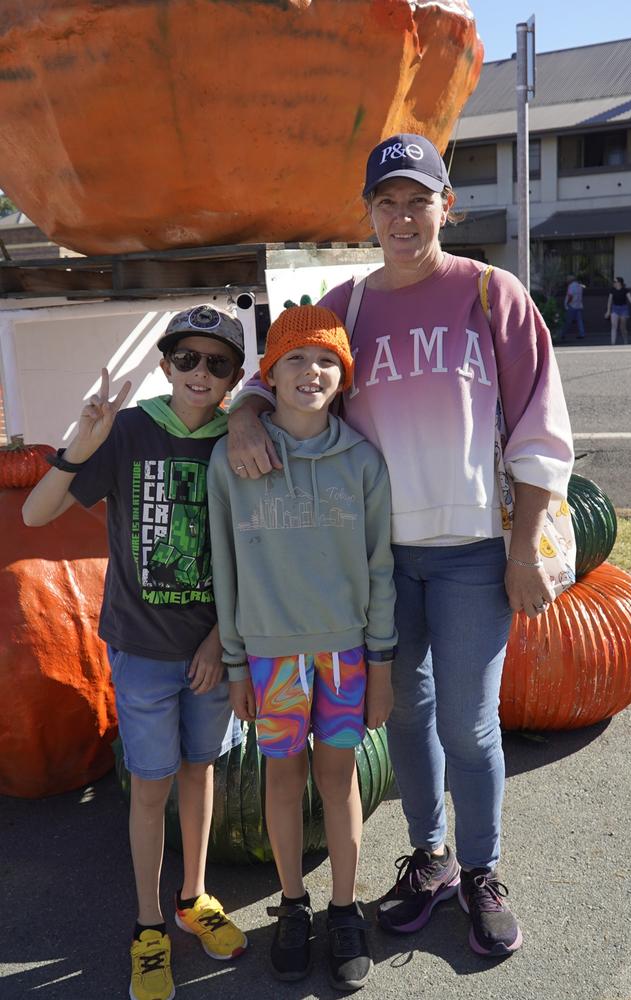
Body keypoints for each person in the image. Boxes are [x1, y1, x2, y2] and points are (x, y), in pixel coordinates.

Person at [225, 134, 574, 960]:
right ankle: (432, 856)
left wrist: (523, 550)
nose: (403, 216)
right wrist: (243, 414)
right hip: (375, 562)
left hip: (469, 555)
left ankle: (484, 868)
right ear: (369, 213)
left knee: (469, 723)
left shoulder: (492, 294)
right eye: (387, 202)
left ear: (446, 206)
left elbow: (539, 433)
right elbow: (266, 373)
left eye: (420, 200)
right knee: (406, 718)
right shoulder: (345, 305)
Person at [22, 305, 249, 1000]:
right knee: (150, 784)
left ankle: (194, 898)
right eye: (187, 359)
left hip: (212, 650)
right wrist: (80, 444)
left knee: (200, 772)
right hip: (143, 651)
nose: (200, 373)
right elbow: (36, 514)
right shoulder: (127, 431)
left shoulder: (237, 444)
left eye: (217, 363)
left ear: (235, 377)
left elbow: (253, 552)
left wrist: (220, 639)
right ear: (165, 366)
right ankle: (149, 926)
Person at [208, 305, 396, 991]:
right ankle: (294, 905)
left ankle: (345, 909)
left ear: (342, 377)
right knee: (281, 780)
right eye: (295, 358)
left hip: (344, 656)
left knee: (339, 779)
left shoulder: (363, 464)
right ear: (270, 373)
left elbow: (379, 571)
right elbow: (225, 567)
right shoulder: (232, 461)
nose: (311, 372)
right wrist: (235, 664)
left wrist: (380, 665)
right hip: (270, 658)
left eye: (326, 361)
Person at [605, 276, 631, 345]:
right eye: (613, 282)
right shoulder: (612, 290)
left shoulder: (625, 290)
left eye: (615, 282)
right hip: (615, 308)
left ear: (619, 283)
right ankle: (613, 343)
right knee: (614, 326)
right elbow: (609, 301)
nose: (613, 283)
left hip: (623, 309)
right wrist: (608, 311)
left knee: (623, 328)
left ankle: (625, 341)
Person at [560, 274, 585, 340]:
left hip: (572, 305)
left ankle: (562, 334)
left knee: (567, 321)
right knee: (579, 321)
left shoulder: (571, 286)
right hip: (579, 305)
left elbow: (570, 296)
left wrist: (567, 303)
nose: (567, 280)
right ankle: (582, 333)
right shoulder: (579, 286)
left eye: (568, 278)